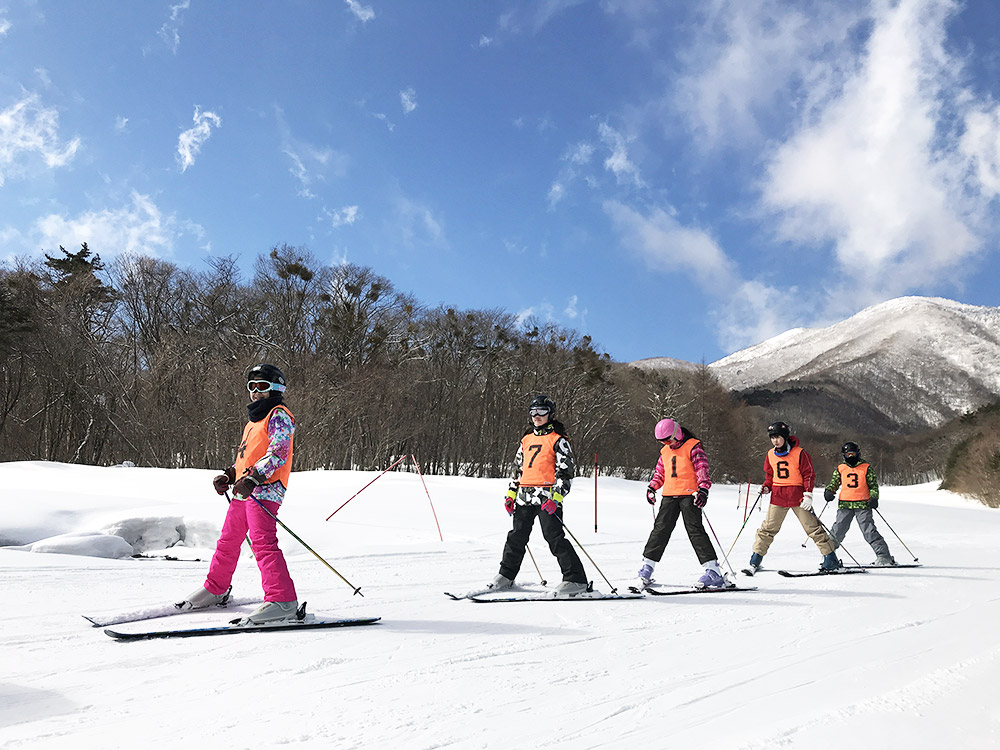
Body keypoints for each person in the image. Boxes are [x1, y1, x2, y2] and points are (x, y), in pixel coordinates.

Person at [178, 364, 299, 623]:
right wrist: (231, 475)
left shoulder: (279, 415)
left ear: (276, 388)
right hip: (247, 487)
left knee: (262, 542)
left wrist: (254, 477)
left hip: (266, 488)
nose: (256, 391)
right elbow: (248, 457)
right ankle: (216, 588)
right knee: (229, 540)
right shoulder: (254, 421)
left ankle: (283, 600)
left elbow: (278, 453)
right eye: (251, 386)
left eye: (262, 386)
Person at [489, 395, 589, 597]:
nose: (537, 415)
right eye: (533, 411)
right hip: (524, 496)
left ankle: (575, 579)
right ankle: (506, 576)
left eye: (542, 411)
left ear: (550, 414)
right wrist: (510, 495)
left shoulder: (559, 440)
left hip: (547, 498)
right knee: (516, 537)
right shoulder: (526, 439)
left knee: (554, 538)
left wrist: (556, 499)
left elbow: (565, 474)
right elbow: (518, 470)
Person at [637, 418, 726, 589]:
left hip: (689, 495)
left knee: (695, 530)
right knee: (660, 530)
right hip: (670, 494)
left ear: (676, 433)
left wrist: (703, 490)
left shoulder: (693, 446)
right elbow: (660, 473)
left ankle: (713, 571)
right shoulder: (665, 451)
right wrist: (652, 487)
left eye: (668, 440)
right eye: (662, 441)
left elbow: (702, 470)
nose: (666, 444)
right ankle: (647, 566)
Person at [746, 420, 840, 574]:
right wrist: (766, 487)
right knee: (767, 529)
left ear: (785, 437)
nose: (775, 441)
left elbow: (809, 474)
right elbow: (770, 475)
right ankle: (755, 559)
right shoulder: (770, 454)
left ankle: (830, 558)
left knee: (813, 528)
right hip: (778, 497)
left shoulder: (800, 453)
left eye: (778, 437)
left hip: (798, 497)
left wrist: (808, 494)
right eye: (772, 437)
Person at [824, 441, 896, 566]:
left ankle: (884, 556)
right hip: (845, 504)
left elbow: (873, 485)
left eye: (853, 454)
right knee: (838, 530)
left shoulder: (866, 468)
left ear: (858, 454)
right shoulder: (841, 468)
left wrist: (874, 497)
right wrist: (829, 491)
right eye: (848, 454)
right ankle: (829, 556)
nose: (851, 457)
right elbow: (834, 482)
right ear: (844, 455)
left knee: (868, 531)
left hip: (863, 504)